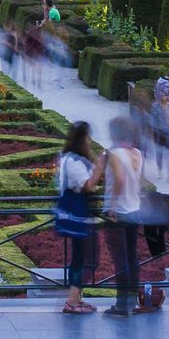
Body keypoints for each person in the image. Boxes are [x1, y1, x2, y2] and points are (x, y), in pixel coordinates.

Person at [101, 116, 153, 317]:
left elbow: (120, 180)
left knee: (120, 259)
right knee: (132, 257)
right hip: (135, 208)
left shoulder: (114, 154)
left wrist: (112, 205)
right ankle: (130, 301)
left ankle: (121, 305)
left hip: (119, 211)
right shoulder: (137, 153)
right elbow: (140, 181)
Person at [55, 122, 104, 314]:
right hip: (78, 214)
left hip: (76, 213)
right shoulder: (74, 161)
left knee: (82, 257)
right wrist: (99, 167)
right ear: (82, 138)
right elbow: (87, 186)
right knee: (85, 258)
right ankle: (72, 300)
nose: (90, 140)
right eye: (88, 136)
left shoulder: (69, 158)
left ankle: (76, 298)